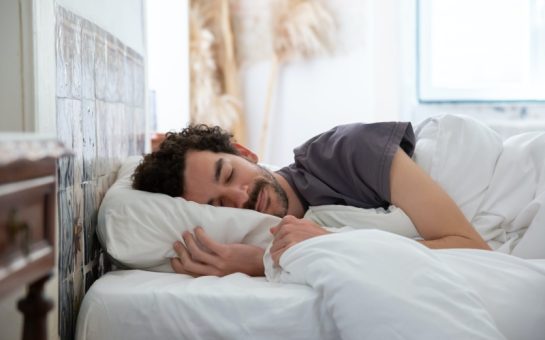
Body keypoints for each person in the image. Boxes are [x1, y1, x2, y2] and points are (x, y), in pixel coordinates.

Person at [132, 123, 491, 277]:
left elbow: (472, 248)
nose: (240, 198)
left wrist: (320, 249)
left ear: (246, 152)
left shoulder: (346, 151)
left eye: (228, 175)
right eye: (218, 207)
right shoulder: (277, 231)